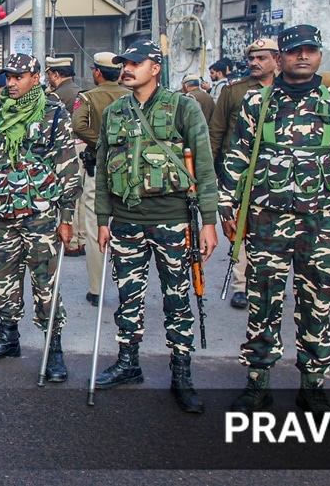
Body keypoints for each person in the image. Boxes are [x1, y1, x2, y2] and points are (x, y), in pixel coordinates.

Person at [220, 25, 330, 413]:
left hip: (322, 223)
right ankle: (258, 382)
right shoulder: (258, 102)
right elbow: (237, 156)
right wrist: (227, 208)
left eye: (310, 50)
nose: (303, 56)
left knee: (316, 305)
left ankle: (313, 384)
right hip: (266, 221)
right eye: (295, 50)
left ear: (319, 55)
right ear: (280, 57)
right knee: (263, 303)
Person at [91, 40, 219, 413]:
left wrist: (209, 221)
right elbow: (103, 170)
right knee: (128, 297)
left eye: (136, 63)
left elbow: (204, 167)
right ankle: (128, 363)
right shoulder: (114, 112)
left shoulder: (184, 107)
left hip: (173, 220)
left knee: (177, 299)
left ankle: (182, 373)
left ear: (156, 67)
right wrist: (102, 219)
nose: (127, 69)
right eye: (124, 63)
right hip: (126, 221)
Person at [0, 53, 81, 382]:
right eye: (8, 77)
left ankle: (53, 348)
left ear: (35, 77)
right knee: (3, 278)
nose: (11, 83)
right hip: (2, 211)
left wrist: (66, 216)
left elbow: (67, 166)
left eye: (18, 77)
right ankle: (8, 337)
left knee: (45, 282)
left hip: (39, 213)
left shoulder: (53, 112)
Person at [208, 37, 280, 309]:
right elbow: (216, 130)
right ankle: (241, 285)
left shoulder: (285, 90)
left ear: (277, 60)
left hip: (277, 174)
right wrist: (211, 169)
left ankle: (270, 282)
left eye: (262, 58)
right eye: (251, 58)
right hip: (240, 172)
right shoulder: (235, 91)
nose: (255, 63)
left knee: (275, 231)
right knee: (241, 228)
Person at [72, 52, 131, 306]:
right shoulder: (131, 96)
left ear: (97, 72)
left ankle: (96, 289)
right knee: (127, 230)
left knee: (95, 227)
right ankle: (127, 286)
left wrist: (102, 144)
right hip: (129, 170)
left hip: (99, 167)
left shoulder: (88, 97)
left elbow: (78, 126)